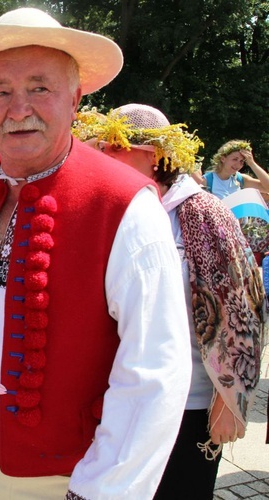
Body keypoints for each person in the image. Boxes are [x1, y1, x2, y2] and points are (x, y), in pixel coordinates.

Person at [0, 8, 192, 498]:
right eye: (1, 92)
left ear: (75, 98)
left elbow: (154, 372)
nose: (18, 108)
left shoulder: (124, 204)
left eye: (39, 87)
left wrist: (101, 491)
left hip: (63, 479)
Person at [80, 103, 264, 499]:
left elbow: (243, 309)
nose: (103, 157)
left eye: (115, 147)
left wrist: (229, 402)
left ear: (153, 155)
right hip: (111, 398)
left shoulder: (203, 214)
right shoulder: (106, 207)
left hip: (187, 405)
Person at [195, 140, 269, 199]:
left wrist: (252, 164)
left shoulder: (240, 179)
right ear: (223, 158)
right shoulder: (207, 181)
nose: (238, 165)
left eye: (242, 161)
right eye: (235, 159)